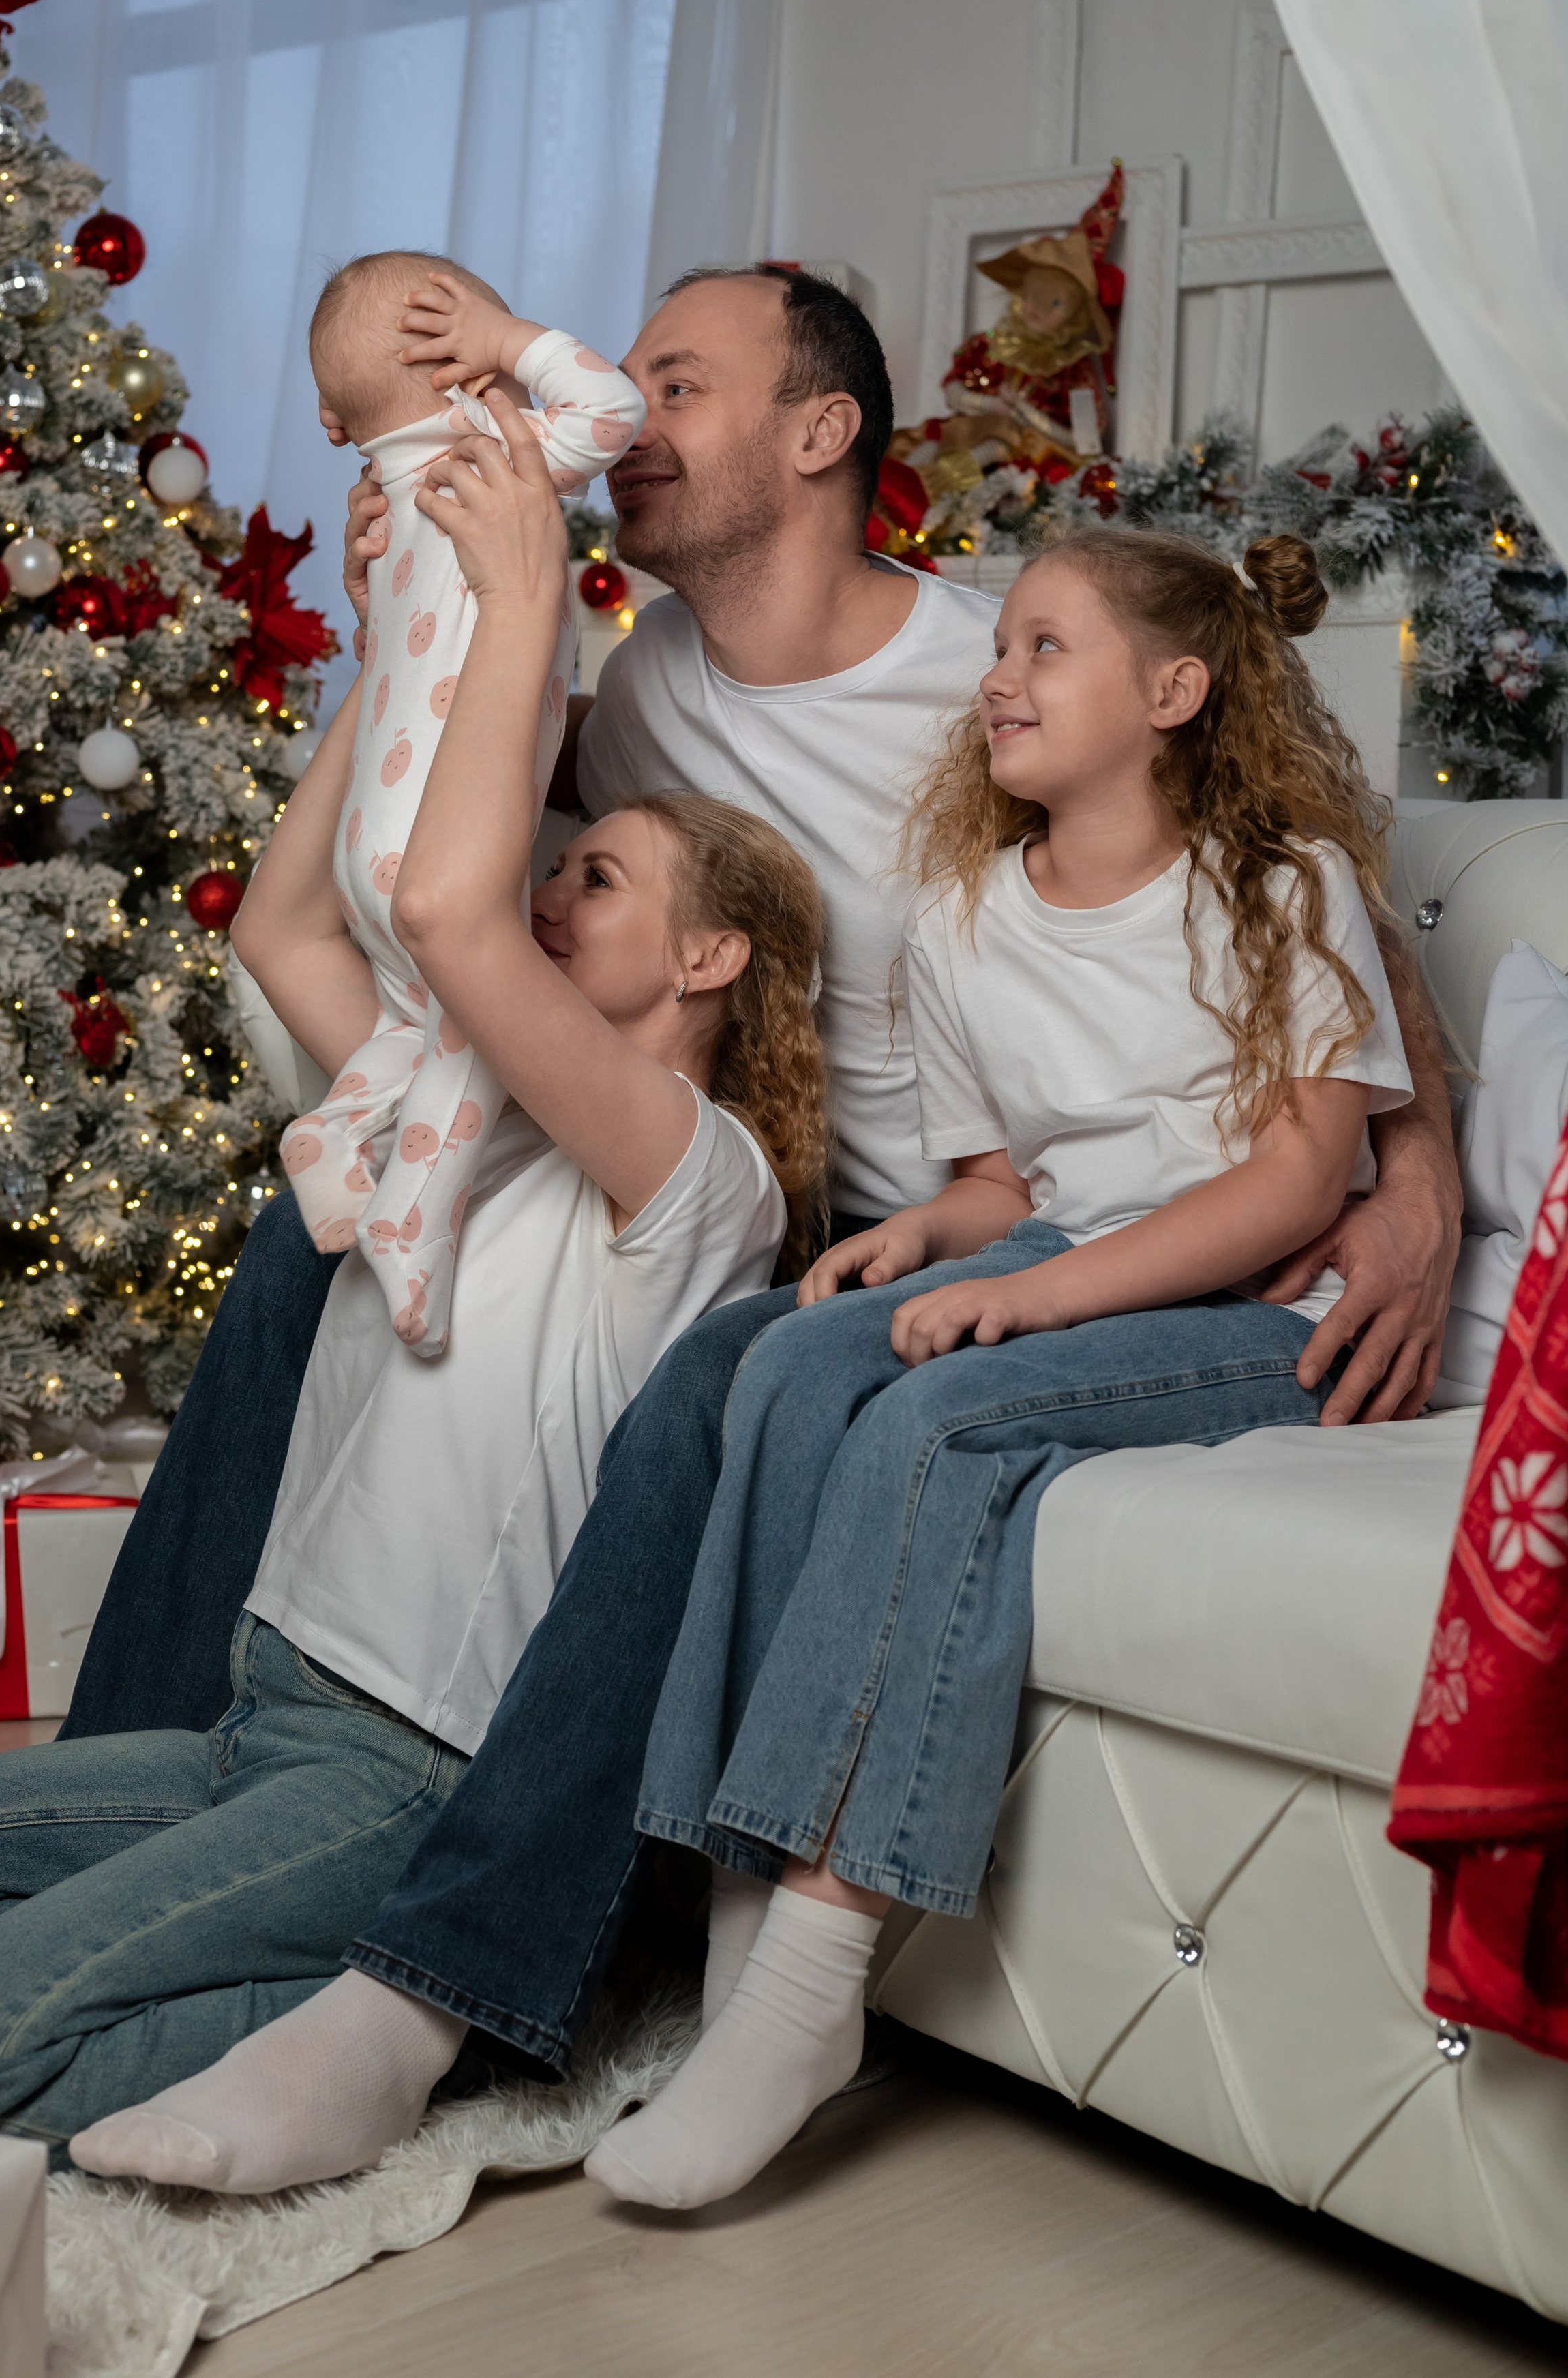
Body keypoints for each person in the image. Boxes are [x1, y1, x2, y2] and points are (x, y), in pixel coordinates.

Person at [55, 269, 1461, 2194]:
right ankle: (123, 1790)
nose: (626, 410)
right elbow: (447, 868)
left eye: (677, 384)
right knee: (314, 1230)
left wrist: (1419, 1186)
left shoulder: (996, 674)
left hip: (947, 1210)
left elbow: (1315, 897)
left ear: (818, 438)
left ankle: (449, 1983)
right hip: (760, 1156)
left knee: (739, 1374)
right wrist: (418, 600)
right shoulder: (642, 688)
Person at [0, 391, 815, 2181]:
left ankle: (426, 2026)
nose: (550, 894)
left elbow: (442, 911)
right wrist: (388, 646)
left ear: (710, 953)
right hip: (256, 1708)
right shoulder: (440, 1111)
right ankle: (228, 1966)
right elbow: (278, 933)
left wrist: (521, 594)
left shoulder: (694, 1178)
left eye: (598, 876)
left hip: (401, 1771)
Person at [584, 524, 1415, 2211]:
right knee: (792, 1371)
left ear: (1172, 693)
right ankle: (729, 1922)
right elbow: (1003, 1188)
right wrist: (931, 1244)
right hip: (1072, 1256)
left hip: (1252, 1303)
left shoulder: (1282, 892)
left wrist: (1032, 1306)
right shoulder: (964, 914)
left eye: (1046, 647)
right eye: (1001, 648)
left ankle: (809, 1985)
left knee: (943, 1424)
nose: (999, 677)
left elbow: (1291, 1182)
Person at [287, 252, 643, 1355]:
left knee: (413, 1019)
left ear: (336, 419)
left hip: (367, 838)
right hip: (435, 834)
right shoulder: (494, 463)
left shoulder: (393, 502)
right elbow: (613, 407)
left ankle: (333, 1131)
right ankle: (413, 1218)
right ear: (454, 362)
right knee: (478, 1027)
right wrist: (513, 339)